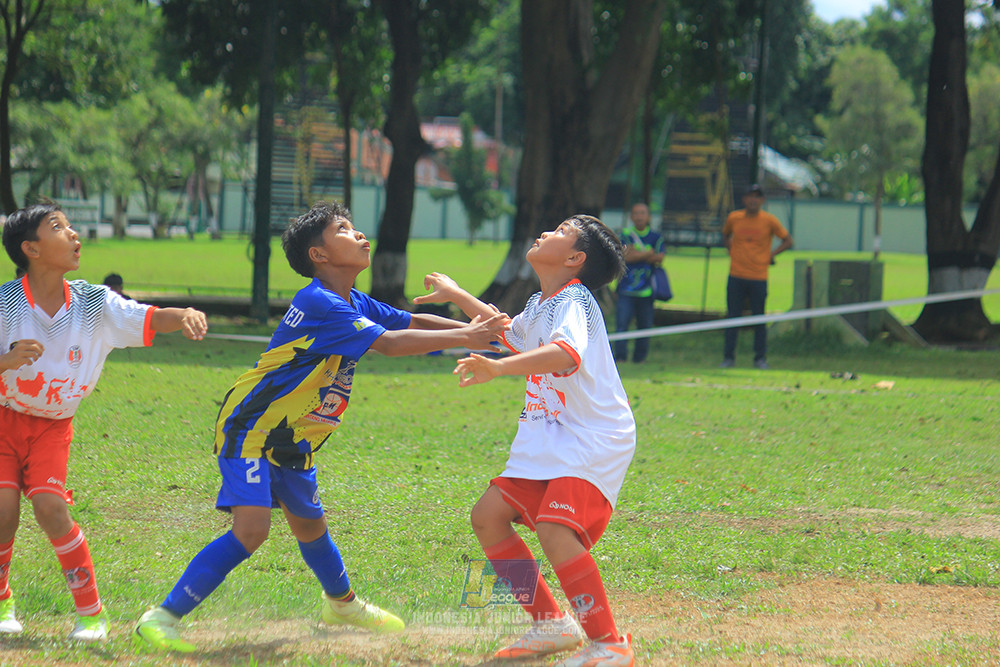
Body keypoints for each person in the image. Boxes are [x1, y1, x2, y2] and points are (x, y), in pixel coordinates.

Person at [132, 201, 507, 653]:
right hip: (251, 429)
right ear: (319, 255)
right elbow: (388, 344)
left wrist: (476, 327)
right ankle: (163, 616)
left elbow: (409, 321)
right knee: (252, 530)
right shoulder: (320, 301)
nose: (360, 234)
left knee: (310, 525)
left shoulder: (351, 300)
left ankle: (342, 604)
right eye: (344, 230)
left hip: (292, 436)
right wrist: (466, 336)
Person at [414, 215, 636, 667]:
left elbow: (565, 355)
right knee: (488, 517)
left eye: (558, 231)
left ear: (575, 259)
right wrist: (456, 295)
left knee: (556, 531)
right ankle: (551, 623)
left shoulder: (576, 299)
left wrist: (496, 369)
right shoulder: (542, 301)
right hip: (551, 433)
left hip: (592, 436)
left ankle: (610, 644)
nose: (544, 233)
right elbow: (508, 333)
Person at [0, 202, 208, 642]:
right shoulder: (5, 303)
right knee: (3, 512)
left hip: (54, 427)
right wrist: (5, 361)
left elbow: (148, 316)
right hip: (4, 421)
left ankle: (91, 614)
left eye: (71, 226)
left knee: (51, 510)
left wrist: (184, 314)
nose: (74, 235)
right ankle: (2, 601)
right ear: (30, 249)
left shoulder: (95, 303)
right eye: (58, 227)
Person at [721, 184, 793, 370]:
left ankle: (760, 358)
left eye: (757, 197)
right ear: (744, 199)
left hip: (758, 276)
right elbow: (725, 235)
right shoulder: (734, 218)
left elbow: (788, 240)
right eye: (750, 196)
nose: (753, 200)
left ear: (762, 201)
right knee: (733, 317)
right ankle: (728, 357)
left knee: (759, 319)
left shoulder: (769, 221)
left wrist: (772, 254)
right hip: (736, 274)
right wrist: (732, 251)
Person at [614, 202, 665, 364]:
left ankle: (640, 358)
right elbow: (626, 257)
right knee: (622, 324)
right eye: (636, 213)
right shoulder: (625, 235)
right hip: (626, 290)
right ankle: (620, 356)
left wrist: (637, 253)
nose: (639, 216)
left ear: (648, 216)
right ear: (631, 216)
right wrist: (648, 253)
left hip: (647, 290)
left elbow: (660, 258)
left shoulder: (656, 237)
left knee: (645, 326)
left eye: (643, 213)